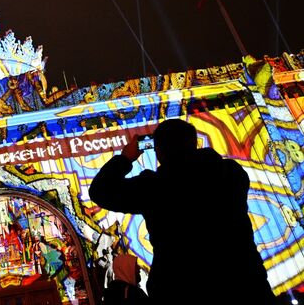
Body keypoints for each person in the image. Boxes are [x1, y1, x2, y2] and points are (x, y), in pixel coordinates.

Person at [89, 119, 276, 304]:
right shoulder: (231, 174)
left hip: (180, 291)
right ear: (194, 143)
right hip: (246, 286)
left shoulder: (154, 188)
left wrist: (125, 158)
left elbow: (100, 191)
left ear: (159, 151)